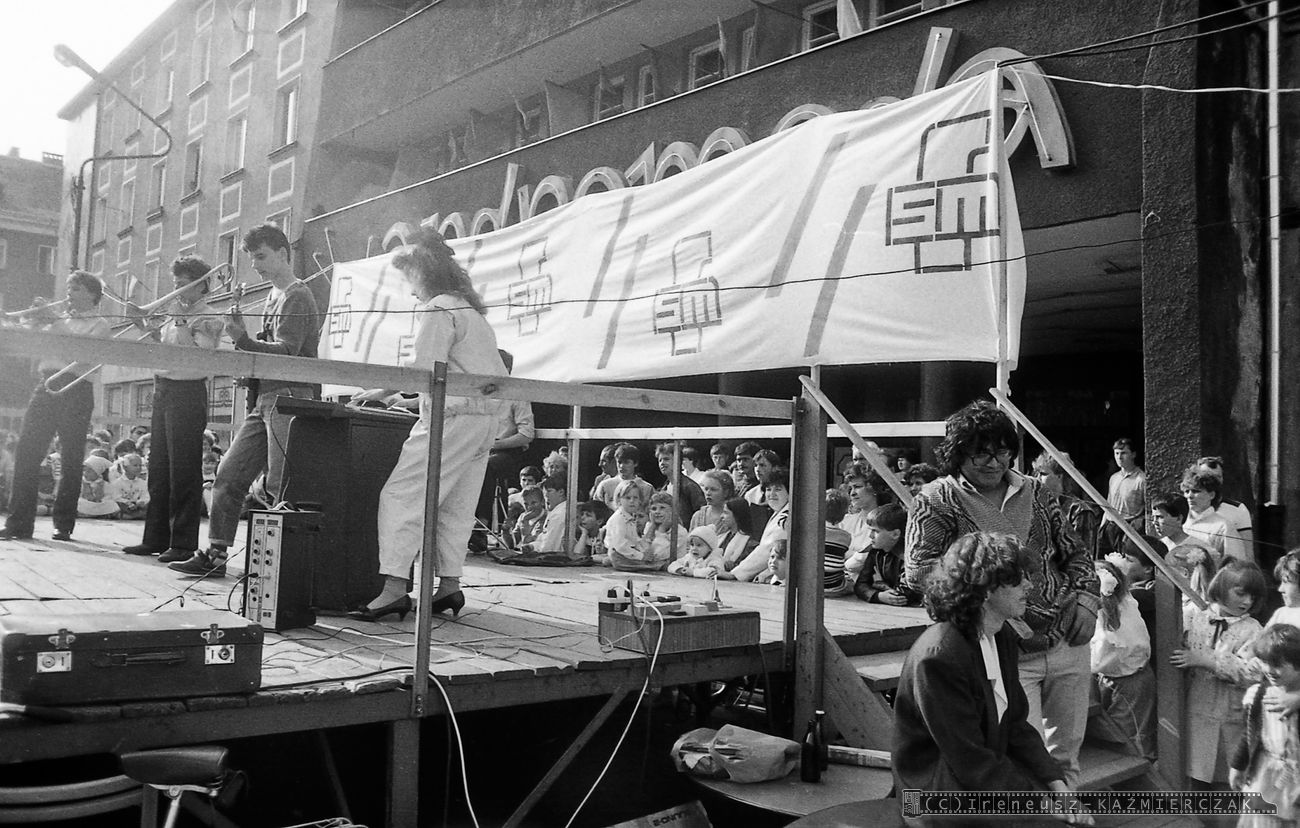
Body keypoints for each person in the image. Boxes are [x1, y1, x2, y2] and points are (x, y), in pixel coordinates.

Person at [904, 400, 1099, 788]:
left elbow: (1075, 552)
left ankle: (1068, 811)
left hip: (1067, 639)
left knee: (1067, 757)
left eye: (1003, 452)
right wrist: (989, 603)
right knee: (1023, 756)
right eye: (981, 453)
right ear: (958, 453)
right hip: (1003, 650)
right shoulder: (936, 499)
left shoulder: (1036, 491)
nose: (994, 463)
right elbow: (919, 570)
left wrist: (1088, 601)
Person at [348, 227, 506, 620]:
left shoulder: (438, 308)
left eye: (410, 279)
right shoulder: (470, 311)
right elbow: (459, 372)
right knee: (455, 503)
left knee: (402, 495)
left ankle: (393, 589)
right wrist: (409, 399)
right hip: (484, 419)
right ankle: (449, 585)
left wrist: (380, 391)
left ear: (423, 273)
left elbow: (424, 368)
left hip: (452, 419)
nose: (411, 291)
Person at [892, 532, 1094, 827]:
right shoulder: (939, 656)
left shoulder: (1001, 635)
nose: (1030, 585)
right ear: (986, 588)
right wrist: (1041, 806)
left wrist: (1058, 786)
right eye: (1018, 579)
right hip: (932, 794)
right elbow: (968, 757)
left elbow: (1016, 725)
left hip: (975, 781)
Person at [171, 224, 322, 577]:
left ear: (283, 254)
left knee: (279, 485)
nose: (255, 265)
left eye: (261, 256)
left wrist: (243, 340)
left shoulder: (297, 295)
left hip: (289, 398)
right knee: (228, 474)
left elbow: (288, 350)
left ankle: (282, 569)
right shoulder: (274, 295)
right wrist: (250, 367)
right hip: (267, 397)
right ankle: (216, 554)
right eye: (252, 258)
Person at [122, 255, 224, 559]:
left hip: (188, 391)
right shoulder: (173, 313)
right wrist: (144, 325)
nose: (177, 289)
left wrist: (180, 322)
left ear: (202, 285)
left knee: (184, 470)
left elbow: (200, 354)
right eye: (175, 283)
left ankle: (182, 544)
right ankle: (155, 538)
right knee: (159, 467)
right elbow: (165, 348)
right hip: (164, 388)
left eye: (183, 283)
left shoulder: (209, 317)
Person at [1, 271, 112, 542]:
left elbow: (82, 358)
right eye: (69, 288)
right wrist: (31, 321)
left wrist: (55, 323)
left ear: (92, 294)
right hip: (46, 384)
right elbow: (30, 343)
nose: (69, 293)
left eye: (76, 288)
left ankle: (63, 525)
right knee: (27, 452)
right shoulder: (59, 319)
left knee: (71, 458)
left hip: (76, 388)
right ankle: (18, 523)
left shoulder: (100, 325)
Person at [1171, 559, 1267, 790]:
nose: (1247, 602)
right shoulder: (1196, 615)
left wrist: (1207, 661)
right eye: (1241, 594)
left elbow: (1251, 673)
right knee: (1196, 769)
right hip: (1196, 705)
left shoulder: (1253, 630)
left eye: (1253, 597)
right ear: (1221, 588)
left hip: (1230, 711)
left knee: (1226, 775)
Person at [1230, 624, 1300, 827]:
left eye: (1277, 665)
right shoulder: (1259, 695)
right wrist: (1238, 766)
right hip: (1268, 775)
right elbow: (1249, 735)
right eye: (1265, 663)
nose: (1269, 670)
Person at [1088, 559, 1156, 762]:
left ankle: (1140, 767)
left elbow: (1100, 655)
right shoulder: (1127, 603)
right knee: (1121, 731)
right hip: (1119, 675)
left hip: (1127, 679)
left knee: (1131, 734)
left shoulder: (1112, 613)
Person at [470, 350, 534, 554]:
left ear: (505, 369)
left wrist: (495, 444)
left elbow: (526, 434)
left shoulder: (517, 394)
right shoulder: (480, 391)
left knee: (487, 466)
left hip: (507, 451)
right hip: (480, 447)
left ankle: (481, 525)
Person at [722, 466, 790, 582]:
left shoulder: (786, 518)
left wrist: (735, 574)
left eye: (778, 489)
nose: (772, 494)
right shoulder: (779, 512)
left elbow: (766, 551)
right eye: (768, 489)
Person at [1032, 452, 1104, 560]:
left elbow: (1083, 556)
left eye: (1043, 474)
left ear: (1059, 476)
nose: (1038, 478)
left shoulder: (1080, 511)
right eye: (1037, 474)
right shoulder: (1039, 506)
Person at [851, 503, 919, 606]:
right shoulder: (876, 552)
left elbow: (904, 595)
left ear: (895, 534)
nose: (870, 536)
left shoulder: (908, 556)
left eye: (875, 531)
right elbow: (860, 585)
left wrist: (880, 585)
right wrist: (878, 596)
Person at [1182, 466, 1251, 565]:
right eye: (1187, 491)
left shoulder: (1223, 527)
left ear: (1211, 495)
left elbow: (1235, 565)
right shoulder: (1179, 522)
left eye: (1196, 491)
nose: (1189, 496)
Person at [655, 441, 706, 522]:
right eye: (660, 460)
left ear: (678, 461)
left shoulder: (689, 486)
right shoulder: (664, 489)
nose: (662, 463)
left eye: (666, 459)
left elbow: (702, 515)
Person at [595, 444, 654, 512]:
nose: (622, 466)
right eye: (619, 462)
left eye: (626, 462)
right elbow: (596, 511)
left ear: (635, 463)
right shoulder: (605, 486)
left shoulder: (647, 488)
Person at [521, 473, 568, 554]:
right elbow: (543, 539)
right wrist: (532, 546)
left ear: (561, 492)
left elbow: (549, 547)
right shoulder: (555, 512)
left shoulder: (559, 514)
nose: (546, 495)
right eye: (544, 492)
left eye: (549, 491)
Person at [1107, 438, 1146, 532]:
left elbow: (1148, 508)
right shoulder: (1113, 478)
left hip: (1129, 527)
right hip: (1111, 526)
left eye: (1123, 453)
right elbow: (1108, 505)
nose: (1119, 457)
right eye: (1117, 453)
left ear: (1133, 454)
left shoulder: (1141, 479)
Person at [715, 496, 758, 576]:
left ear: (736, 515)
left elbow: (747, 568)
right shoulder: (721, 538)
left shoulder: (750, 544)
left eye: (726, 513)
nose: (721, 516)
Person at [107, 453, 149, 520]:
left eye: (140, 465)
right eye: (135, 465)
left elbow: (145, 496)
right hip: (124, 507)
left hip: (138, 507)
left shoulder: (143, 483)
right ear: (125, 467)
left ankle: (133, 516)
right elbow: (116, 497)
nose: (138, 468)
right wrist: (127, 503)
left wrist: (140, 502)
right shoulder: (117, 483)